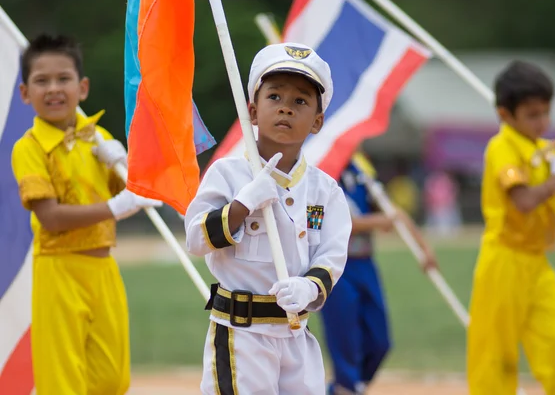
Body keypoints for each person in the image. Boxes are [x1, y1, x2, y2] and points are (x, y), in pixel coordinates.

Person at [184, 42, 352, 394]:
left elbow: (331, 255)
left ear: (317, 121)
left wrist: (310, 286)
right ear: (253, 111)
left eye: (301, 102)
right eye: (274, 97)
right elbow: (196, 239)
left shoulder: (325, 192)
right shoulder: (228, 174)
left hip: (295, 335)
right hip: (241, 336)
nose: (286, 110)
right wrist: (242, 205)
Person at [11, 33, 161, 395]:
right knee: (63, 379)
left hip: (104, 269)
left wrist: (124, 162)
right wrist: (115, 207)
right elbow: (50, 217)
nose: (53, 89)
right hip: (59, 270)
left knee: (111, 379)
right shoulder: (29, 148)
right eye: (41, 81)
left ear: (83, 87)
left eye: (63, 78)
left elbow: (132, 186)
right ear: (25, 94)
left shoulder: (97, 139)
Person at [467, 60, 555, 394]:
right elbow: (523, 200)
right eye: (532, 115)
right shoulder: (503, 147)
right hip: (504, 262)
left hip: (537, 264)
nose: (542, 122)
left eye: (545, 112)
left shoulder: (544, 151)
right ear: (506, 115)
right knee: (496, 355)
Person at [321, 151, 438, 395]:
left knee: (379, 341)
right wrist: (375, 222)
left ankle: (347, 388)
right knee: (345, 343)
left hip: (365, 264)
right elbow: (319, 221)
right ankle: (346, 386)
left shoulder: (360, 168)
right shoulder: (318, 170)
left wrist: (423, 246)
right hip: (334, 269)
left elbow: (389, 210)